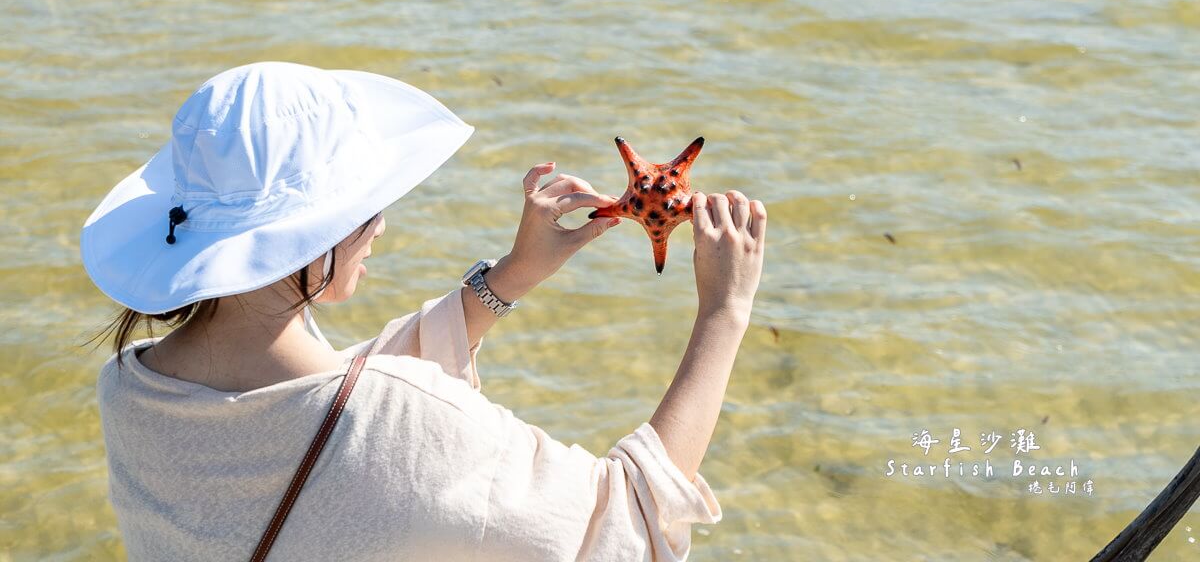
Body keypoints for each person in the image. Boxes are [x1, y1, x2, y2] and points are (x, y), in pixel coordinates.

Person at [82, 61, 767, 561]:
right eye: (364, 208)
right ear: (311, 238)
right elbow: (629, 525)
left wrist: (512, 276)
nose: (379, 226)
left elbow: (325, 414)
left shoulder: (130, 388)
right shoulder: (413, 424)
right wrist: (724, 311)